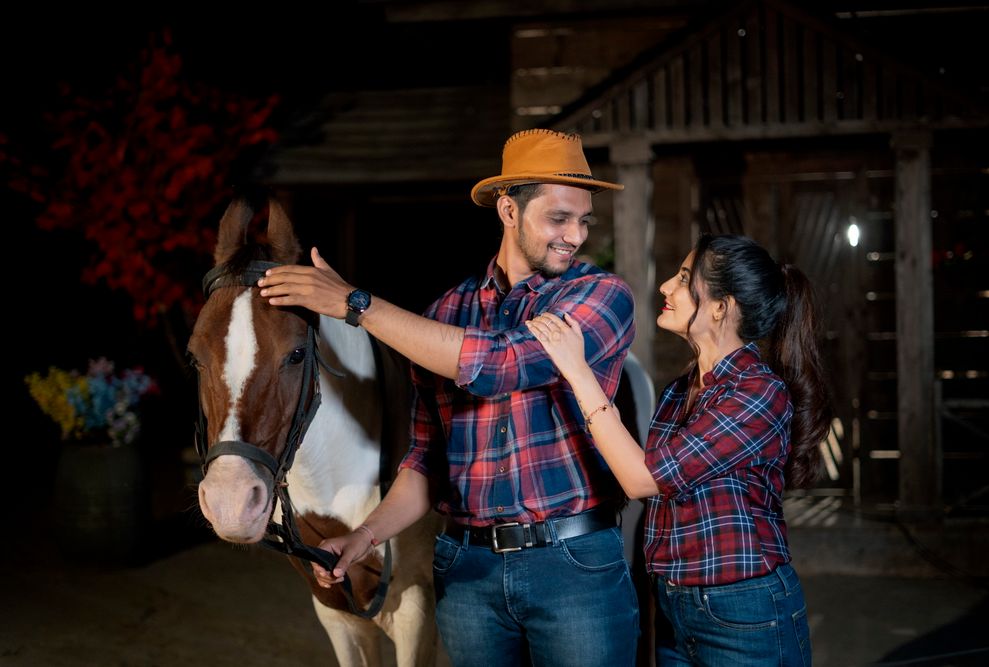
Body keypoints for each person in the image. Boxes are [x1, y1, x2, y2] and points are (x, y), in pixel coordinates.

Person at [257, 129, 640, 666]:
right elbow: (426, 459)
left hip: (572, 565)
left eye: (584, 220)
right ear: (509, 210)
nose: (574, 235)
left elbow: (498, 365)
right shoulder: (446, 312)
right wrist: (365, 536)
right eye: (559, 218)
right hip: (468, 570)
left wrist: (356, 304)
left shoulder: (600, 296)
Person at [526, 234, 831, 666]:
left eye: (685, 279)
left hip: (743, 610)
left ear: (721, 307)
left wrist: (577, 369)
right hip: (675, 603)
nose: (666, 286)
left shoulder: (757, 393)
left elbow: (642, 479)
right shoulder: (680, 391)